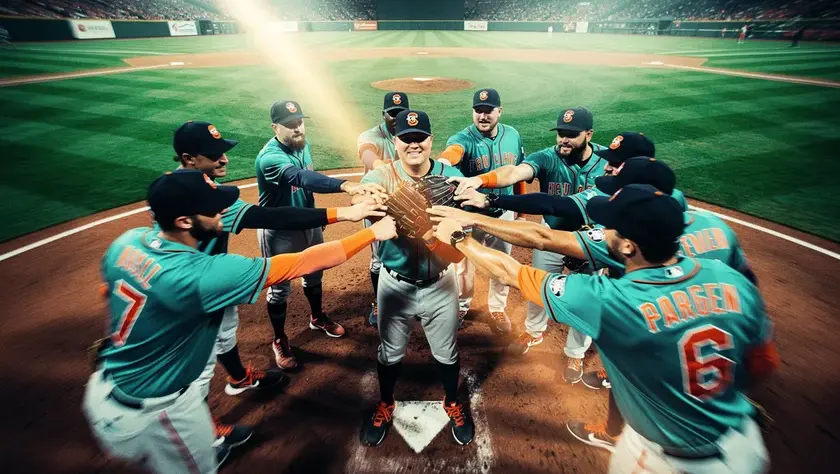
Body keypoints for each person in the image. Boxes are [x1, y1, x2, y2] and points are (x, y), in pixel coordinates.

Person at [432, 184, 777, 473]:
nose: (601, 229)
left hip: (665, 462)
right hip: (745, 445)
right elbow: (763, 362)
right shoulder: (729, 278)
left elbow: (510, 272)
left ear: (628, 246)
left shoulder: (611, 301)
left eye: (610, 226)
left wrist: (460, 238)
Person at [83, 169, 397, 474]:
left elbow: (107, 291)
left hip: (105, 387)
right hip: (159, 415)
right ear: (184, 221)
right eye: (212, 207)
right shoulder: (203, 276)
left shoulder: (128, 242)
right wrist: (372, 232)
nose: (222, 209)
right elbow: (302, 262)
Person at [171, 121, 386, 447]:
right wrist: (351, 217)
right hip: (197, 290)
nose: (225, 159)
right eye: (214, 155)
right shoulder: (195, 203)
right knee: (197, 369)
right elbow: (273, 220)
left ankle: (238, 378)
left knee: (226, 330)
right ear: (188, 158)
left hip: (208, 280)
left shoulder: (196, 190)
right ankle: (203, 434)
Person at [450, 107, 607, 383]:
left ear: (589, 134)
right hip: (549, 235)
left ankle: (575, 353)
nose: (564, 139)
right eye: (561, 133)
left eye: (571, 134)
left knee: (586, 300)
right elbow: (514, 172)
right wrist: (479, 180)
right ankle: (534, 331)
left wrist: (600, 239)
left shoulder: (607, 163)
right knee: (537, 286)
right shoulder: (547, 157)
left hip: (589, 243)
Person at [353, 110, 475, 447]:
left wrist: (436, 229)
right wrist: (369, 199)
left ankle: (452, 401)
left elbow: (459, 252)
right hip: (394, 286)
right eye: (406, 139)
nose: (414, 144)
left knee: (446, 352)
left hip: (440, 284)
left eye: (420, 137)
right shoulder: (383, 176)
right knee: (390, 352)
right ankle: (385, 403)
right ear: (396, 142)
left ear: (430, 140)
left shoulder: (450, 178)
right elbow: (362, 194)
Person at [255, 100, 386, 370]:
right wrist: (345, 185)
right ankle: (279, 339)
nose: (297, 128)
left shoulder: (302, 144)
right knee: (280, 289)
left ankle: (316, 318)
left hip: (309, 222)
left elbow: (307, 187)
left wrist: (316, 218)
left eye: (299, 122)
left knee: (315, 273)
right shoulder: (270, 158)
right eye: (290, 125)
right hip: (280, 232)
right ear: (275, 127)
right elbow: (301, 178)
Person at [438, 88, 526, 333]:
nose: (483, 116)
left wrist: (520, 210)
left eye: (488, 111)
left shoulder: (513, 135)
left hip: (503, 212)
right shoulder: (463, 138)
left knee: (501, 263)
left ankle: (497, 308)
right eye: (478, 111)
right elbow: (454, 151)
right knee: (464, 266)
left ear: (499, 111)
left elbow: (518, 173)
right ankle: (461, 305)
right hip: (470, 215)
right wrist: (443, 161)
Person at [358, 91, 410, 327]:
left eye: (401, 114)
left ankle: (409, 298)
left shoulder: (410, 135)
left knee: (408, 251)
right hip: (377, 206)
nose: (396, 119)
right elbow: (367, 153)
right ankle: (379, 302)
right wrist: (381, 166)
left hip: (406, 206)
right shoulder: (371, 136)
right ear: (383, 115)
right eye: (392, 114)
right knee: (379, 259)